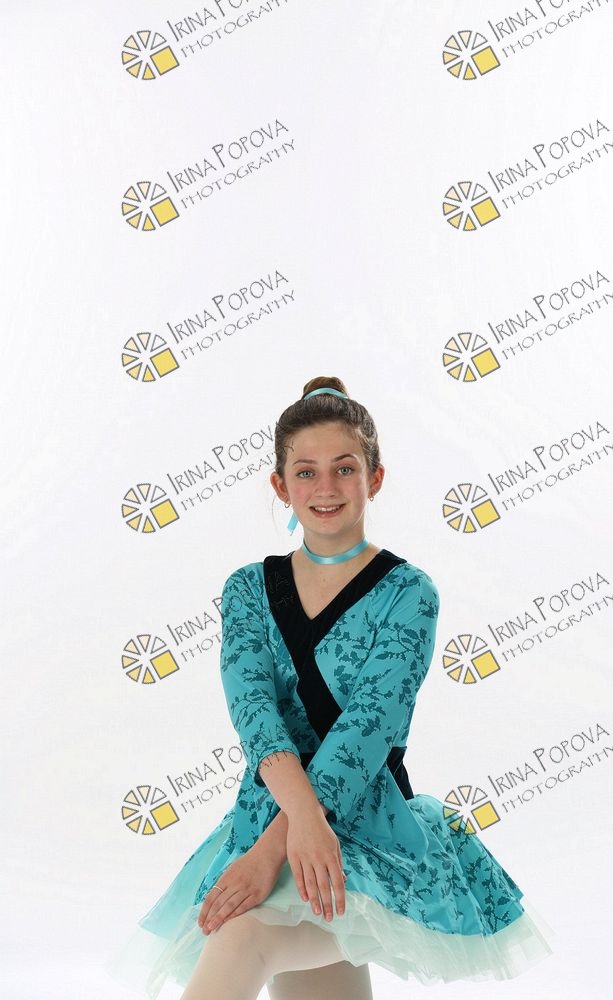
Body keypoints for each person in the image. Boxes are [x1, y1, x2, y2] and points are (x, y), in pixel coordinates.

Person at [106, 376, 555, 999]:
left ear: (375, 477)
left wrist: (282, 846)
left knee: (243, 937)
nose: (325, 488)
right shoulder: (247, 589)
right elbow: (254, 712)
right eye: (306, 472)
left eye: (344, 469)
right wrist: (288, 827)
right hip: (266, 814)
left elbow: (369, 726)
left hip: (370, 823)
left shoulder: (409, 592)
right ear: (280, 485)